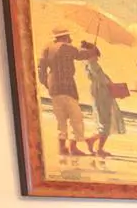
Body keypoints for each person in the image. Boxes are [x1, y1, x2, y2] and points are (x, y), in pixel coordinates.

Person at [37, 27, 95, 157]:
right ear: (65, 37)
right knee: (76, 117)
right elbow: (80, 55)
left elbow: (41, 69)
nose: (71, 39)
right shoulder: (66, 47)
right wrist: (93, 50)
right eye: (69, 37)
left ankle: (62, 148)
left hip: (54, 87)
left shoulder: (47, 48)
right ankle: (73, 147)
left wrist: (47, 83)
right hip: (67, 86)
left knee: (61, 119)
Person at [78, 40, 125, 158]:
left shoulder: (90, 64)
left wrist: (113, 87)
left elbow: (103, 79)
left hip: (101, 92)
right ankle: (94, 143)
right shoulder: (92, 64)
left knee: (105, 121)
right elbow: (103, 80)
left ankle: (97, 146)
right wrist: (116, 89)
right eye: (95, 53)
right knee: (105, 122)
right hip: (101, 93)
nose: (97, 56)